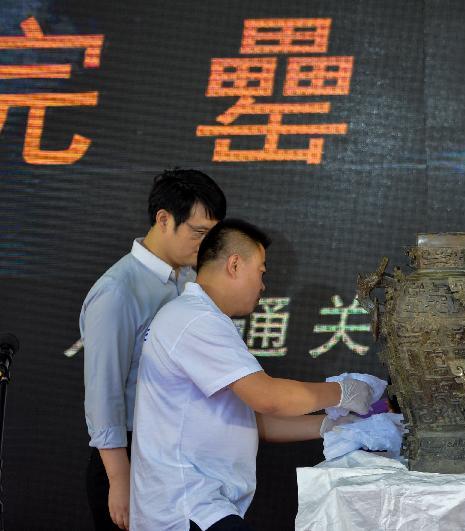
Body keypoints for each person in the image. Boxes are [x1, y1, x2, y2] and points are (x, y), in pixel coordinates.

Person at [129, 219, 378, 531]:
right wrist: (343, 392)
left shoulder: (201, 317)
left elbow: (253, 420)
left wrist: (336, 427)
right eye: (261, 271)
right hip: (186, 506)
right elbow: (269, 398)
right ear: (234, 264)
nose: (262, 286)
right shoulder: (196, 319)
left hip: (199, 502)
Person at [81, 169, 226, 530]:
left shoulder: (190, 280)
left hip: (179, 454)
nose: (206, 245)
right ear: (164, 220)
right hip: (130, 457)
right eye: (199, 233)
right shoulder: (118, 291)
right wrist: (120, 480)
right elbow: (103, 395)